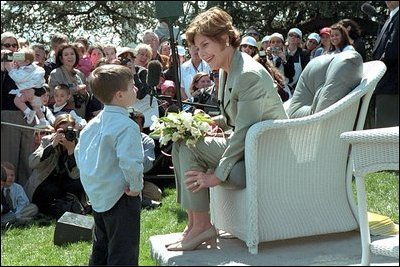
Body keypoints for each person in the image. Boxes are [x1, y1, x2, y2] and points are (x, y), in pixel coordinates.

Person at [166, 7, 288, 251]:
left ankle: (201, 225)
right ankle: (194, 222)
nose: (200, 53)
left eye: (205, 45)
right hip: (249, 141)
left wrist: (217, 175)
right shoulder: (227, 68)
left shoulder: (247, 74)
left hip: (265, 150)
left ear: (224, 39)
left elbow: (243, 131)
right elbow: (233, 117)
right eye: (197, 48)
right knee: (182, 140)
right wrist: (210, 122)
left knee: (191, 145)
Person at [74, 64, 143, 265]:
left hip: (98, 195)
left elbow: (79, 155)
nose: (136, 89)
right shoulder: (127, 126)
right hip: (122, 195)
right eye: (132, 86)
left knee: (101, 247)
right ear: (119, 95)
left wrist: (91, 184)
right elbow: (131, 162)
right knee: (123, 251)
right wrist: (136, 186)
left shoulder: (91, 125)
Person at [24, 113, 86, 218]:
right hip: (44, 184)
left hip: (66, 185)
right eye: (62, 131)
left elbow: (76, 176)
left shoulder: (78, 144)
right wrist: (52, 145)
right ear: (55, 130)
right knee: (51, 189)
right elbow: (32, 163)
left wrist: (71, 150)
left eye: (68, 131)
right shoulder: (47, 140)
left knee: (77, 183)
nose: (65, 134)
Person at [1, 31, 35, 187]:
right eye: (7, 45)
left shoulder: (24, 65)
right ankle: (7, 199)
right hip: (7, 116)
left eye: (15, 45)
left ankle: (25, 198)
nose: (11, 49)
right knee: (9, 160)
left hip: (27, 115)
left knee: (27, 161)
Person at [371, 0, 399, 128]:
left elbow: (392, 50)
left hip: (392, 85)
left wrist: (376, 68)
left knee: (386, 133)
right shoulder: (391, 17)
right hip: (385, 83)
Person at [6, 47, 49, 127]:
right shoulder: (32, 67)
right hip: (37, 91)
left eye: (19, 59)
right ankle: (43, 121)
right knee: (36, 106)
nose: (16, 61)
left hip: (31, 91)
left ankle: (29, 112)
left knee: (17, 101)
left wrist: (11, 70)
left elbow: (18, 78)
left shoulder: (26, 69)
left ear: (27, 61)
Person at [129, 110, 162, 209]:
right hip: (117, 179)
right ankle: (142, 201)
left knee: (156, 193)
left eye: (137, 125)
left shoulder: (147, 141)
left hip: (136, 179)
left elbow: (147, 165)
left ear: (142, 127)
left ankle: (136, 200)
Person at [1, 161, 39, 227]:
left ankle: (16, 219)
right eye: (6, 175)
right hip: (5, 213)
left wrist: (17, 213)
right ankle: (20, 220)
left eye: (12, 175)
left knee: (33, 208)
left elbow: (23, 202)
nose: (10, 177)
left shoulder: (18, 187)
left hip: (18, 211)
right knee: (7, 217)